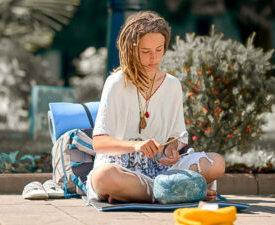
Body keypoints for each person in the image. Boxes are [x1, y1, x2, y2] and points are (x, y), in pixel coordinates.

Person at [86, 11, 225, 204]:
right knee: (103, 177)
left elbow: (175, 138)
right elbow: (99, 143)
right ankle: (180, 191)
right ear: (131, 49)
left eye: (159, 49)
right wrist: (136, 146)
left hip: (163, 171)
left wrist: (171, 149)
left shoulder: (172, 85)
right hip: (121, 169)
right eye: (146, 51)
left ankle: (155, 192)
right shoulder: (116, 83)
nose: (154, 57)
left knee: (216, 162)